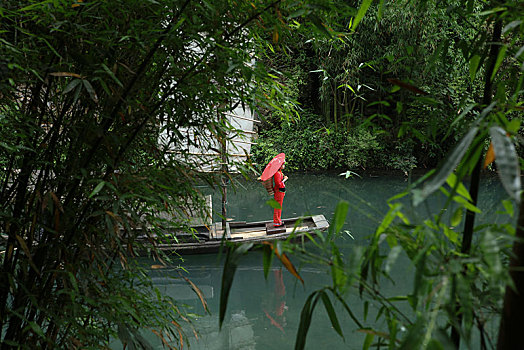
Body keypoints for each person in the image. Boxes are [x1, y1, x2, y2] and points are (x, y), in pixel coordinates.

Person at [273, 162, 288, 227]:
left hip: (281, 191)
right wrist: (284, 179)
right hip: (278, 191)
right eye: (282, 164)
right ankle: (276, 222)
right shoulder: (277, 173)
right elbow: (278, 184)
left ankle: (279, 220)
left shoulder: (279, 172)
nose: (284, 166)